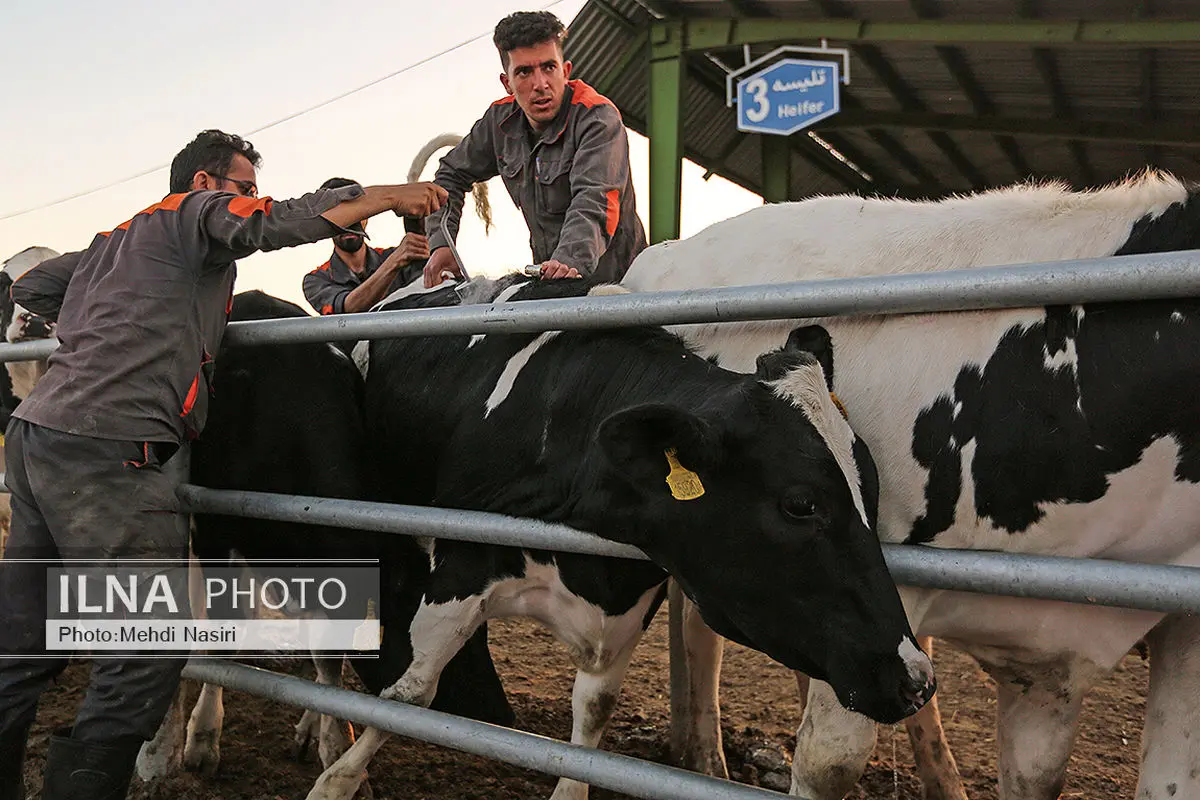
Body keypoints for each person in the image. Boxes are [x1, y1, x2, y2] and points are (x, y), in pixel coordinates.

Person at [0, 129, 445, 800]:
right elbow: (279, 222)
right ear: (207, 185)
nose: (251, 199)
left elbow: (32, 288)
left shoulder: (117, 240)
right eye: (243, 188)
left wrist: (117, 320)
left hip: (35, 441)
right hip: (112, 449)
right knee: (146, 649)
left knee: (24, 638)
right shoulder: (191, 213)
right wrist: (381, 197)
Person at [423, 10, 646, 287]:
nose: (540, 84)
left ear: (565, 72)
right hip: (551, 281)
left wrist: (569, 261)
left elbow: (595, 199)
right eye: (525, 72)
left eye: (549, 67)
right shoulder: (498, 122)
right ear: (508, 83)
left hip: (622, 285)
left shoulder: (597, 118)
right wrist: (442, 244)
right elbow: (450, 175)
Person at [303, 177, 431, 315]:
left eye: (357, 212)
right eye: (340, 216)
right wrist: (394, 262)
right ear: (324, 224)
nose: (350, 222)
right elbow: (348, 310)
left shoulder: (404, 258)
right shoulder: (316, 280)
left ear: (367, 215)